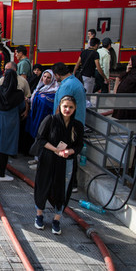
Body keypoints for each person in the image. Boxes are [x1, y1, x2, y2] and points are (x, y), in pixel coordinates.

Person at [32, 95, 84, 235]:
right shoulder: (50, 120)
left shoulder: (77, 125)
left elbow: (79, 145)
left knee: (63, 189)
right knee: (43, 185)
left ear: (75, 108)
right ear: (60, 106)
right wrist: (56, 150)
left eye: (70, 107)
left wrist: (69, 151)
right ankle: (39, 215)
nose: (67, 109)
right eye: (65, 106)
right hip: (48, 159)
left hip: (66, 161)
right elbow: (40, 139)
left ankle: (57, 219)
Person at [0, 70, 26, 181]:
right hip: (10, 120)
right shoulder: (19, 94)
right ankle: (1, 174)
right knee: (5, 146)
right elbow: (22, 107)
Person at [25, 69, 59, 143]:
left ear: (52, 79)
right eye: (44, 76)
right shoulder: (40, 88)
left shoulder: (54, 91)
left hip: (44, 117)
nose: (46, 79)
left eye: (48, 77)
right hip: (35, 115)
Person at [112, 55, 136, 120]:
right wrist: (127, 70)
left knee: (127, 117)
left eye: (130, 60)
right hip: (122, 99)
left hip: (129, 100)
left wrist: (133, 100)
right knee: (120, 117)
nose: (129, 62)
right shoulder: (131, 71)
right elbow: (121, 77)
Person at [52, 62, 86, 126]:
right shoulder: (75, 81)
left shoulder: (66, 86)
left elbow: (60, 107)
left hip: (68, 125)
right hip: (77, 123)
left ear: (57, 75)